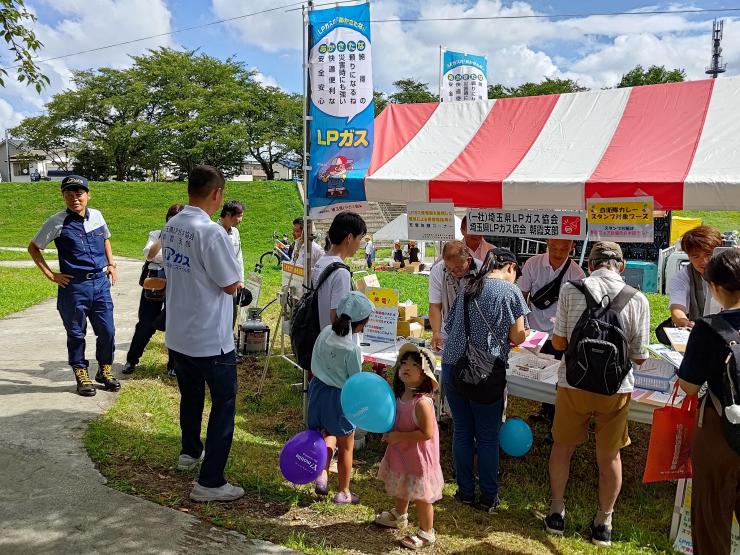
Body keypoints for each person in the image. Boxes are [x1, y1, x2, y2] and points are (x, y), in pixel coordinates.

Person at [545, 241, 650, 547]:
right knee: (609, 455)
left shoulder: (570, 290)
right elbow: (640, 356)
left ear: (590, 265)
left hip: (573, 384)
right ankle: (604, 521)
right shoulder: (638, 298)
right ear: (622, 265)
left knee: (562, 447)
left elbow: (560, 344)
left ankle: (556, 511)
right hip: (615, 389)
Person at [162, 165, 244, 503]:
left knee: (191, 395)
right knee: (224, 403)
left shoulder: (172, 225)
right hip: (211, 338)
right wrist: (239, 283)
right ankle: (210, 482)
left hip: (179, 334)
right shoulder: (210, 233)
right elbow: (229, 284)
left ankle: (190, 451)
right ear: (217, 194)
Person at [441, 248, 529, 512]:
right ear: (511, 267)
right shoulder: (510, 292)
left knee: (462, 431)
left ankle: (465, 492)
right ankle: (489, 497)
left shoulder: (468, 286)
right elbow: (517, 336)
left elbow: (449, 326)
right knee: (488, 437)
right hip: (485, 372)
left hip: (453, 367)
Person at [28, 175, 120, 397]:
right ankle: (81, 374)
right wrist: (52, 275)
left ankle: (104, 370)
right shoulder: (56, 221)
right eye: (69, 194)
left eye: (79, 194)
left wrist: (111, 264)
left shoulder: (97, 216)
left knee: (107, 331)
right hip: (74, 287)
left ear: (88, 195)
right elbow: (34, 248)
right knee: (77, 333)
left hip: (100, 284)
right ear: (64, 197)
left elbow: (105, 239)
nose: (74, 198)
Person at [677, 248, 740, 554]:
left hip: (720, 429)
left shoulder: (709, 327)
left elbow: (689, 386)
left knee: (712, 519)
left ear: (714, 286)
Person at [375, 343, 444, 549]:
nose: (406, 366)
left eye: (414, 364)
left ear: (424, 374)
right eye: (403, 362)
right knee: (401, 484)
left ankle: (427, 531)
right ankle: (399, 515)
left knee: (421, 495)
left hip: (419, 457)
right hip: (401, 452)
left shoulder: (422, 403)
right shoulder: (398, 397)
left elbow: (427, 433)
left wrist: (397, 437)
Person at [308, 291, 373, 504]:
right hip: (340, 397)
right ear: (361, 324)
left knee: (325, 435)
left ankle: (322, 475)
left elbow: (314, 358)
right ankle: (344, 491)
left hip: (318, 390)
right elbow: (354, 381)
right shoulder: (352, 349)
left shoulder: (325, 332)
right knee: (346, 444)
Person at [518, 239, 585, 422]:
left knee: (558, 374)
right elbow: (522, 295)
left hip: (560, 333)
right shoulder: (533, 263)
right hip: (534, 329)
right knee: (537, 370)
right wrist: (522, 324)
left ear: (572, 247)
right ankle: (545, 409)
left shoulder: (576, 273)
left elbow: (577, 307)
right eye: (554, 248)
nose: (558, 253)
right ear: (547, 243)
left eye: (564, 249)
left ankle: (557, 416)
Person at [123, 204, 184, 376]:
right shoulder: (156, 234)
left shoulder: (187, 238)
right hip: (155, 283)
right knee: (145, 324)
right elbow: (150, 254)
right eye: (172, 219)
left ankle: (173, 365)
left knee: (175, 325)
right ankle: (131, 360)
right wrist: (165, 235)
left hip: (179, 285)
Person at [662, 225, 723, 341]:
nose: (704, 261)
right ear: (688, 257)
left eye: (708, 254)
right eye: (696, 256)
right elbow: (677, 308)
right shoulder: (682, 277)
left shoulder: (732, 272)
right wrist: (686, 323)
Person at [312, 211, 367, 330]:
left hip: (321, 336)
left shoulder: (321, 262)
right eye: (360, 238)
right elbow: (337, 318)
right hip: (335, 343)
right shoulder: (341, 273)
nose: (360, 244)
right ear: (350, 238)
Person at [428, 240, 481, 352]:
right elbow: (435, 306)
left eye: (458, 268)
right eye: (449, 269)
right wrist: (436, 333)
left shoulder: (481, 270)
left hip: (475, 330)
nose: (454, 272)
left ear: (468, 260)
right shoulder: (438, 271)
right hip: (448, 329)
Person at [218, 200, 245, 330]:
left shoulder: (235, 232)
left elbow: (238, 257)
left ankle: (229, 340)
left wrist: (240, 280)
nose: (240, 220)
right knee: (218, 316)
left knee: (231, 315)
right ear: (228, 215)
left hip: (233, 283)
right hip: (217, 285)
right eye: (238, 216)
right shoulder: (213, 231)